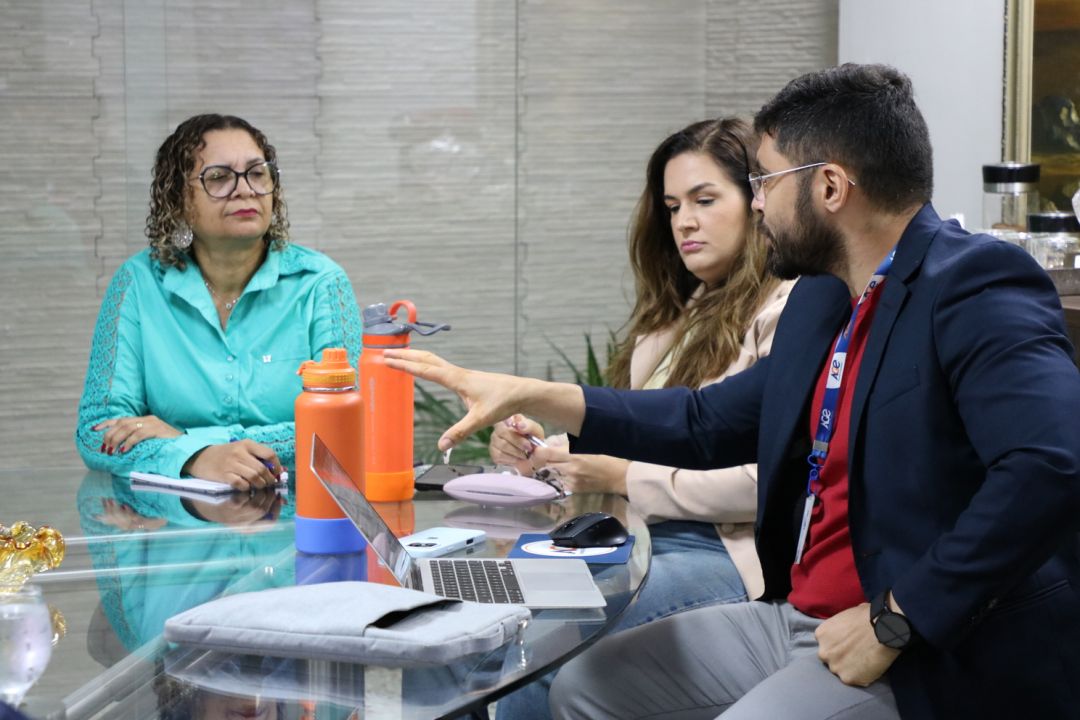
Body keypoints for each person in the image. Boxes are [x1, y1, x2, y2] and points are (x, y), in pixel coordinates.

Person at [384, 63, 1080, 719]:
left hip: (920, 647)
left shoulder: (975, 283)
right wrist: (532, 393)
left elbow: (1051, 464)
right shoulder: (824, 299)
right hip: (799, 617)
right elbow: (707, 421)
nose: (757, 203)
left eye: (766, 181)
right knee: (587, 688)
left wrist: (898, 618)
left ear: (830, 188)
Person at [489, 117, 791, 720]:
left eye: (706, 200)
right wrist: (548, 452)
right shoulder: (675, 321)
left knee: (535, 656)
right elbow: (648, 443)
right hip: (638, 540)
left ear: (758, 202)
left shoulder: (787, 308)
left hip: (726, 552)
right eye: (673, 205)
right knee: (485, 621)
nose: (684, 221)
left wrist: (621, 475)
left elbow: (769, 483)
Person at [75, 114, 361, 488]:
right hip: (174, 529)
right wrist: (199, 459)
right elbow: (98, 433)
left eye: (257, 173)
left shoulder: (320, 283)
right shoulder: (139, 283)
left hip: (301, 522)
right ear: (178, 200)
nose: (245, 189)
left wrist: (188, 445)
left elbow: (348, 426)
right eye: (219, 177)